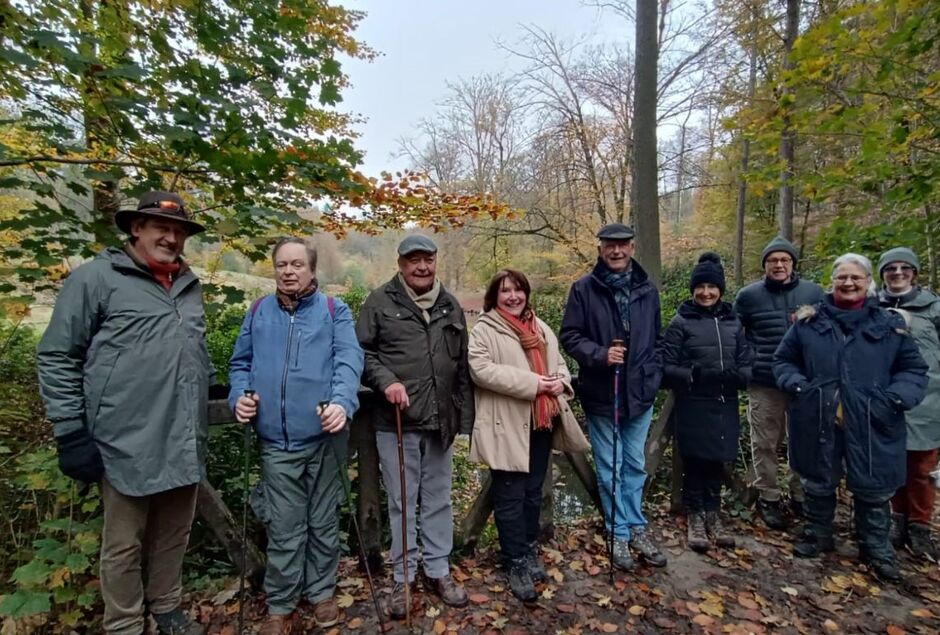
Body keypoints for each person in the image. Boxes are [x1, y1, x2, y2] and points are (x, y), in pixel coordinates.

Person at [36, 191, 210, 635]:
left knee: (174, 533)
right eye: (161, 229)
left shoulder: (188, 285)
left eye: (178, 231)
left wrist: (206, 383)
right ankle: (125, 624)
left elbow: (186, 348)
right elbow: (58, 355)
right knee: (123, 544)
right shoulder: (96, 279)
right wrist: (70, 431)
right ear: (136, 228)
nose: (171, 238)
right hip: (122, 437)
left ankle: (167, 608)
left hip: (183, 432)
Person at [228, 237, 364, 634]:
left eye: (297, 265)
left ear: (312, 269)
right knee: (284, 525)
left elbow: (348, 360)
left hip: (324, 436)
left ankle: (321, 593)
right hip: (276, 440)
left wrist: (341, 402)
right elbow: (240, 363)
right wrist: (240, 397)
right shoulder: (258, 312)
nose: (288, 271)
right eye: (282, 265)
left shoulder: (333, 310)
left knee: (323, 522)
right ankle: (281, 603)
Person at [774, 253, 927, 582]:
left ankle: (875, 545)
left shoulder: (890, 325)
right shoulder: (809, 322)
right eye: (842, 277)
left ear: (869, 281)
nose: (848, 283)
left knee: (873, 486)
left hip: (873, 416)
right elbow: (784, 361)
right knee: (818, 479)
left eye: (856, 277)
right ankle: (817, 535)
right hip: (819, 413)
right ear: (832, 280)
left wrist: (896, 398)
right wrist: (799, 386)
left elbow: (913, 369)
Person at [355, 235, 473, 619]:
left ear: (436, 261)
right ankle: (403, 576)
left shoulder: (450, 305)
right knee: (402, 502)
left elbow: (462, 368)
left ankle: (438, 569)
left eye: (428, 259)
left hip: (441, 422)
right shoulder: (379, 301)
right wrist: (386, 380)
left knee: (439, 499)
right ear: (401, 264)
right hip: (397, 422)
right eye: (413, 261)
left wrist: (464, 418)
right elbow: (363, 353)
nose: (422, 267)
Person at [468, 269, 590, 601]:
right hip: (506, 426)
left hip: (541, 424)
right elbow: (481, 370)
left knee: (533, 493)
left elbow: (560, 365)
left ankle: (528, 549)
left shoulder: (541, 328)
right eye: (505, 291)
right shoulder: (484, 329)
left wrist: (559, 383)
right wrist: (535, 384)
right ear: (495, 295)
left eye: (519, 290)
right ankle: (514, 561)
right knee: (509, 496)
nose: (513, 297)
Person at [560, 223, 667, 571]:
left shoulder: (647, 290)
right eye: (610, 246)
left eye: (622, 245)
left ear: (633, 247)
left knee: (635, 465)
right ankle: (619, 532)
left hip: (640, 394)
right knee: (611, 469)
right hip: (602, 392)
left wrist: (653, 373)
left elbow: (657, 338)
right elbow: (571, 336)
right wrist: (600, 355)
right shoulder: (583, 290)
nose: (616, 251)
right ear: (601, 249)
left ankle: (635, 527)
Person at [733, 236, 825, 529]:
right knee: (764, 443)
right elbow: (735, 335)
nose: (779, 265)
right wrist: (748, 364)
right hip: (764, 381)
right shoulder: (748, 296)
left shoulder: (814, 292)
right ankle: (768, 496)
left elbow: (828, 334)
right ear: (765, 265)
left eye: (784, 260)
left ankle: (800, 495)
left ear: (793, 263)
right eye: (773, 260)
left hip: (804, 382)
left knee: (805, 441)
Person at [662, 253, 751, 553]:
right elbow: (666, 366)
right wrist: (694, 374)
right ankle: (695, 514)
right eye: (700, 287)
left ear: (721, 290)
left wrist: (740, 376)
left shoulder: (733, 322)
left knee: (717, 459)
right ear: (693, 289)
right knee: (696, 460)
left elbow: (746, 360)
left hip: (724, 400)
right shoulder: (681, 321)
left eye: (712, 287)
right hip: (693, 401)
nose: (706, 293)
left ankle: (714, 512)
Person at [876, 247, 940, 559]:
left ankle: (920, 527)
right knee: (892, 463)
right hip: (886, 398)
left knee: (922, 467)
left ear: (914, 273)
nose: (898, 273)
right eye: (891, 268)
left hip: (929, 399)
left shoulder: (934, 308)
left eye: (904, 268)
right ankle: (896, 521)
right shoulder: (874, 306)